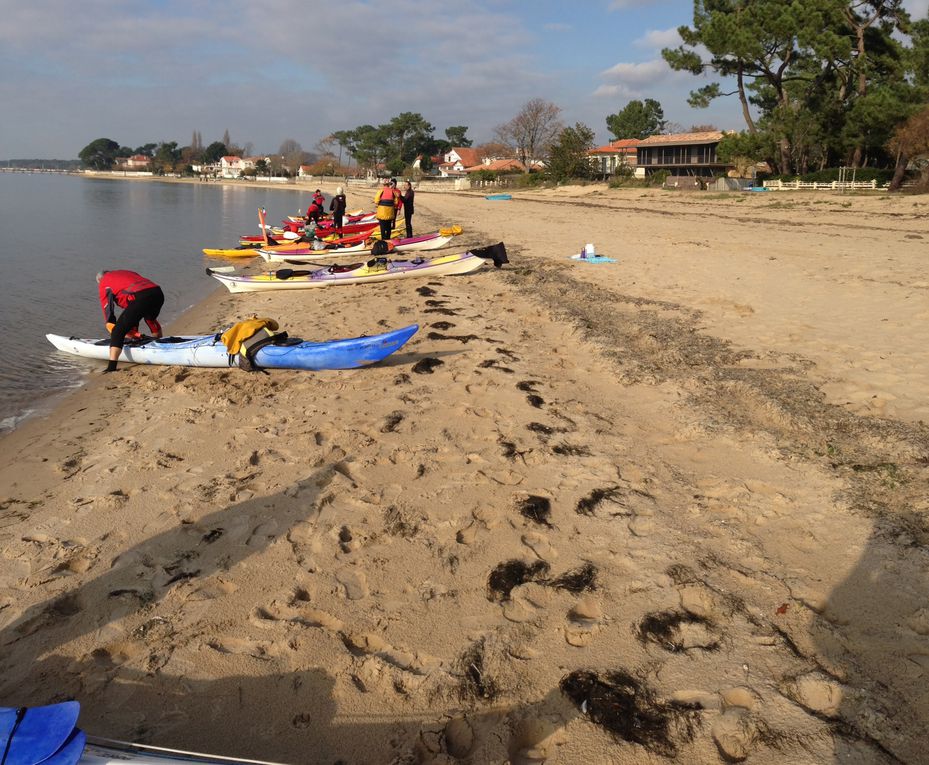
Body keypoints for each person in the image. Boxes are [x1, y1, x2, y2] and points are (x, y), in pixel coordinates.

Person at [96, 269, 164, 372]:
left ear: (100, 280)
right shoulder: (124, 272)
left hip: (140, 297)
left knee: (118, 331)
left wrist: (113, 327)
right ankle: (159, 342)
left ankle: (111, 367)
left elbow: (107, 309)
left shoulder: (104, 282)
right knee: (149, 318)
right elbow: (132, 304)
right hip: (157, 292)